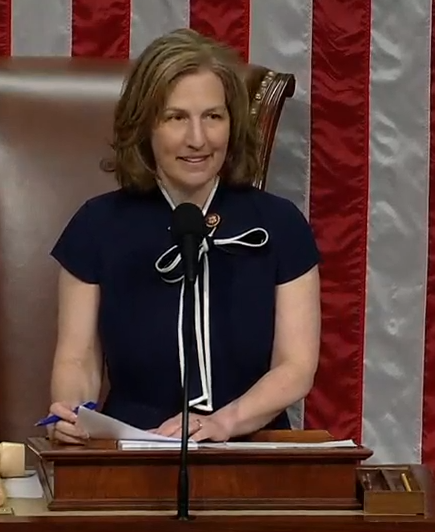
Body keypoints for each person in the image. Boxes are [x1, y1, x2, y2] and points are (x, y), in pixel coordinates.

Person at [45, 28, 320, 444]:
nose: (198, 139)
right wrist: (74, 412)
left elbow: (295, 365)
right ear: (145, 127)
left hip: (252, 448)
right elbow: (78, 358)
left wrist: (225, 422)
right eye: (176, 118)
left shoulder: (280, 224)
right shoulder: (97, 225)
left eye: (213, 116)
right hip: (134, 446)